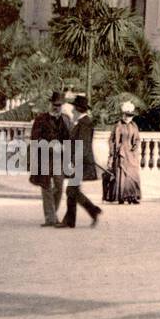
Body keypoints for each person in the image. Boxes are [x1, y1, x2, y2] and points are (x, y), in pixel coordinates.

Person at [60, 95, 101, 229]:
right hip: (79, 162)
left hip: (80, 163)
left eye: (73, 109)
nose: (72, 111)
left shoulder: (84, 123)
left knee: (71, 190)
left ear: (78, 109)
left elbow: (82, 145)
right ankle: (74, 219)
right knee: (72, 190)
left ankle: (90, 211)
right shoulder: (83, 123)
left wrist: (73, 161)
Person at [29, 91, 68, 226]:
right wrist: (50, 145)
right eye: (55, 104)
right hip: (44, 158)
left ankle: (52, 213)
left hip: (59, 159)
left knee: (59, 186)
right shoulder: (40, 119)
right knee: (46, 187)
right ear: (50, 104)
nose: (57, 107)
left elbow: (69, 138)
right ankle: (50, 218)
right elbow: (35, 139)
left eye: (59, 105)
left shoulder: (65, 120)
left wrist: (65, 147)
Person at [108, 102, 142, 204]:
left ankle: (133, 196)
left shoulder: (134, 126)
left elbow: (137, 139)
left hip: (131, 153)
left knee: (133, 174)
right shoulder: (118, 126)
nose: (128, 118)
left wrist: (135, 146)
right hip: (121, 152)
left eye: (130, 116)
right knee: (122, 175)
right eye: (126, 115)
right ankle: (122, 196)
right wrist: (114, 150)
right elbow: (111, 140)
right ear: (123, 115)